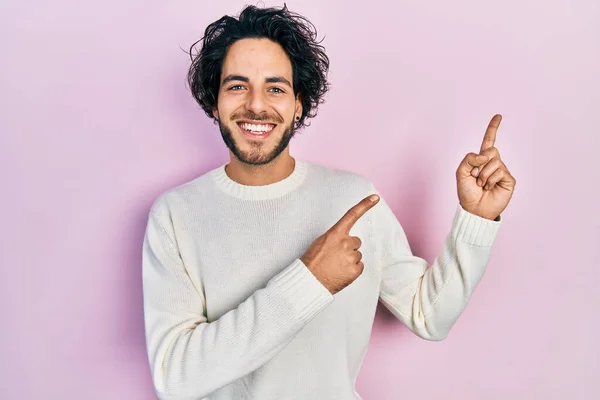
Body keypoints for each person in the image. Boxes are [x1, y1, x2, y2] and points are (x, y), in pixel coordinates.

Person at [141, 4, 516, 400]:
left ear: (298, 103)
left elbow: (430, 316)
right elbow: (175, 379)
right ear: (214, 102)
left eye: (275, 88)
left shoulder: (352, 198)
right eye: (237, 86)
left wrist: (476, 219)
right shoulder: (176, 215)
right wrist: (311, 279)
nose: (255, 104)